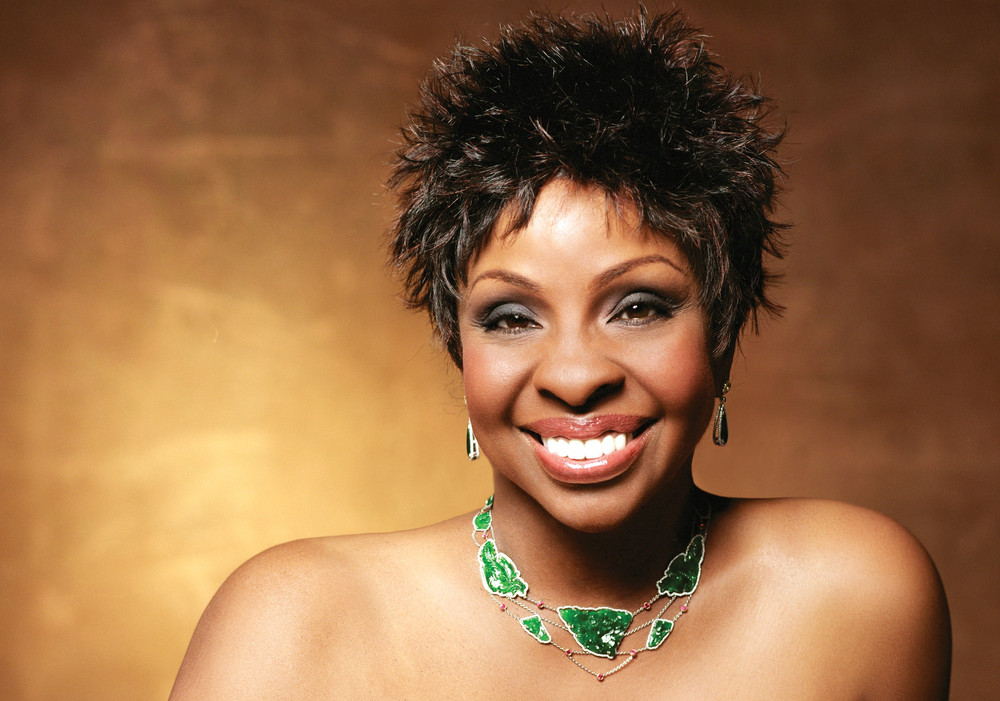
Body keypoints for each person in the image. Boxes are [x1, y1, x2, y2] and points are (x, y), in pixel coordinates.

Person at [169, 8, 951, 699]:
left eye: (638, 307)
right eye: (511, 317)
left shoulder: (857, 599)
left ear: (722, 329)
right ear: (459, 349)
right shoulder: (293, 628)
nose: (576, 376)